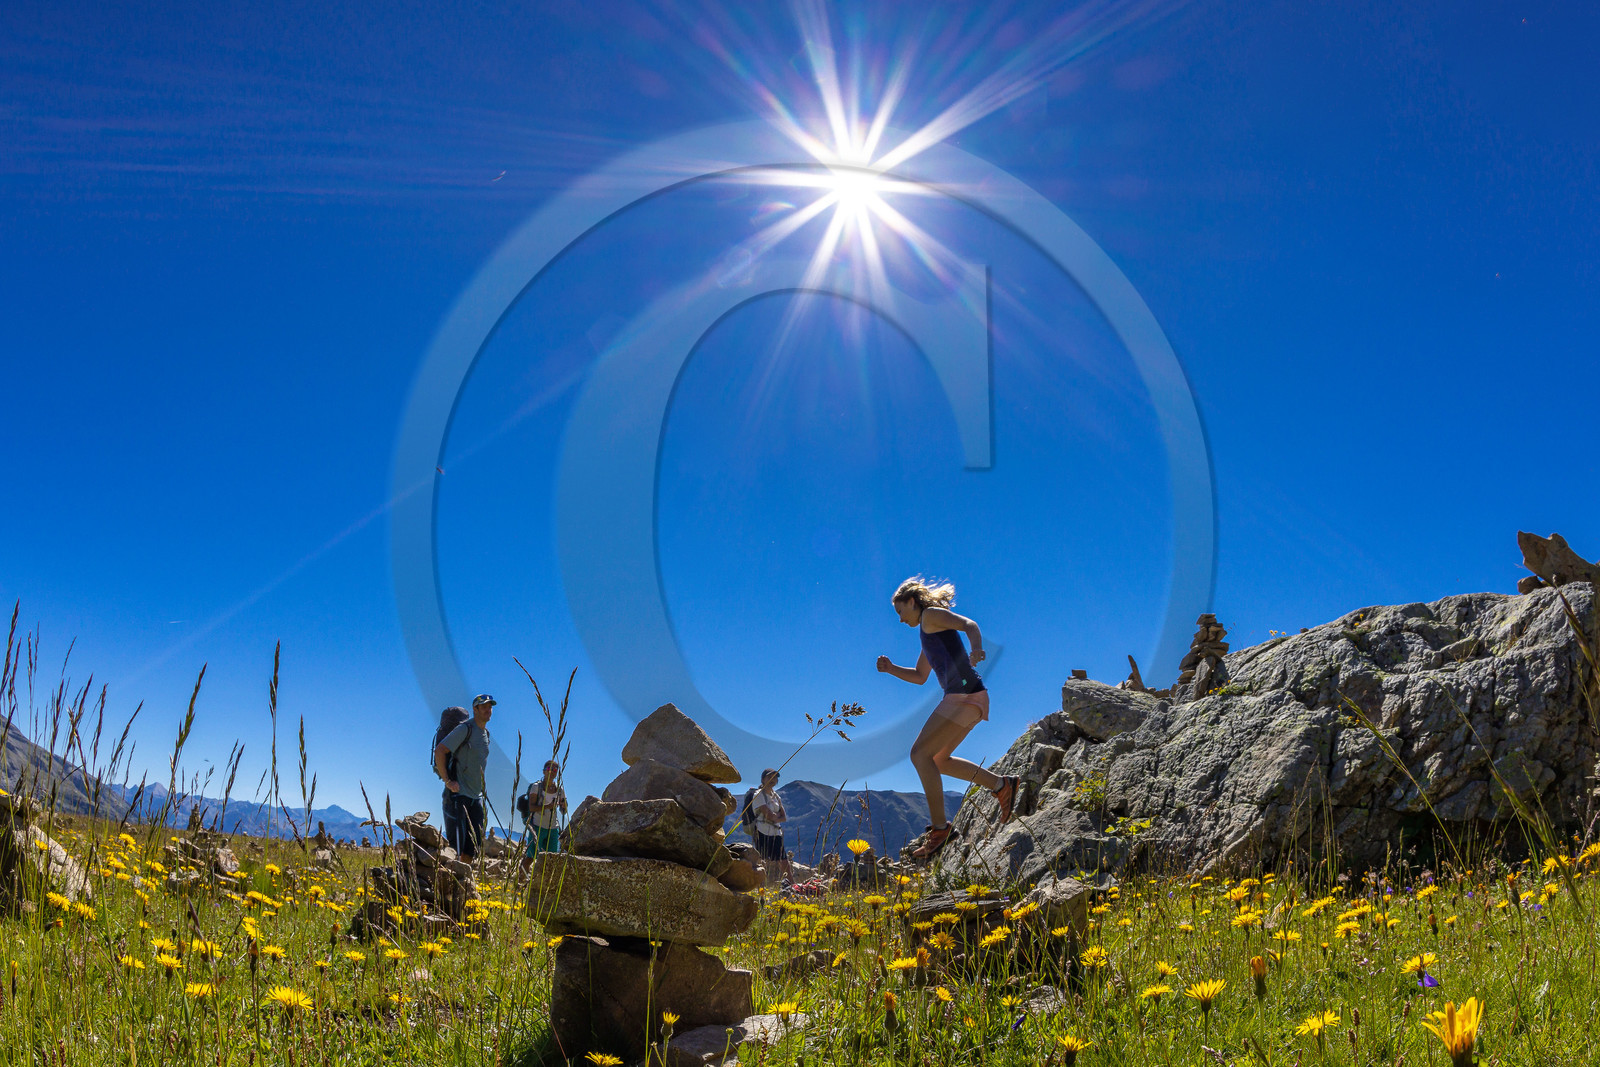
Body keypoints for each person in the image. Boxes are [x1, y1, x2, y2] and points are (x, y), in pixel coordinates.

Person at [876, 576, 1017, 860]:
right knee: (938, 760)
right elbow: (919, 677)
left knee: (919, 754)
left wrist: (976, 647)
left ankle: (941, 829)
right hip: (966, 698)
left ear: (912, 603)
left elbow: (969, 624)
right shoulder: (927, 631)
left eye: (900, 612)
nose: (900, 620)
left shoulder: (930, 616)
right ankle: (1002, 785)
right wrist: (891, 669)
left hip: (964, 696)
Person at [435, 693, 495, 860]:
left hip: (476, 796)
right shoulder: (465, 729)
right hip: (458, 795)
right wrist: (448, 781)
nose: (488, 710)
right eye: (484, 707)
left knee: (472, 846)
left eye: (490, 707)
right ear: (475, 709)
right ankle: (450, 882)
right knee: (456, 847)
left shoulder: (486, 734)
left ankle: (464, 883)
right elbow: (440, 750)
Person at [521, 759, 567, 871]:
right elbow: (532, 807)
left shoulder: (559, 789)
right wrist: (548, 806)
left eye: (555, 769)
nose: (552, 771)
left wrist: (563, 804)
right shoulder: (537, 787)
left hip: (553, 828)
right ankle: (520, 881)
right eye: (549, 769)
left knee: (550, 858)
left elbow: (564, 811)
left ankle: (543, 884)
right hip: (537, 825)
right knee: (531, 856)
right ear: (544, 771)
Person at [751, 768, 792, 884]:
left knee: (784, 861)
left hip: (776, 833)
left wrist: (775, 816)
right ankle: (760, 886)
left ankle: (792, 885)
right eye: (770, 777)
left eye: (775, 778)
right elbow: (769, 815)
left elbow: (784, 817)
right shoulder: (758, 794)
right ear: (763, 779)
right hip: (761, 831)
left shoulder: (776, 796)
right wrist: (776, 816)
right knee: (762, 860)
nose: (773, 780)